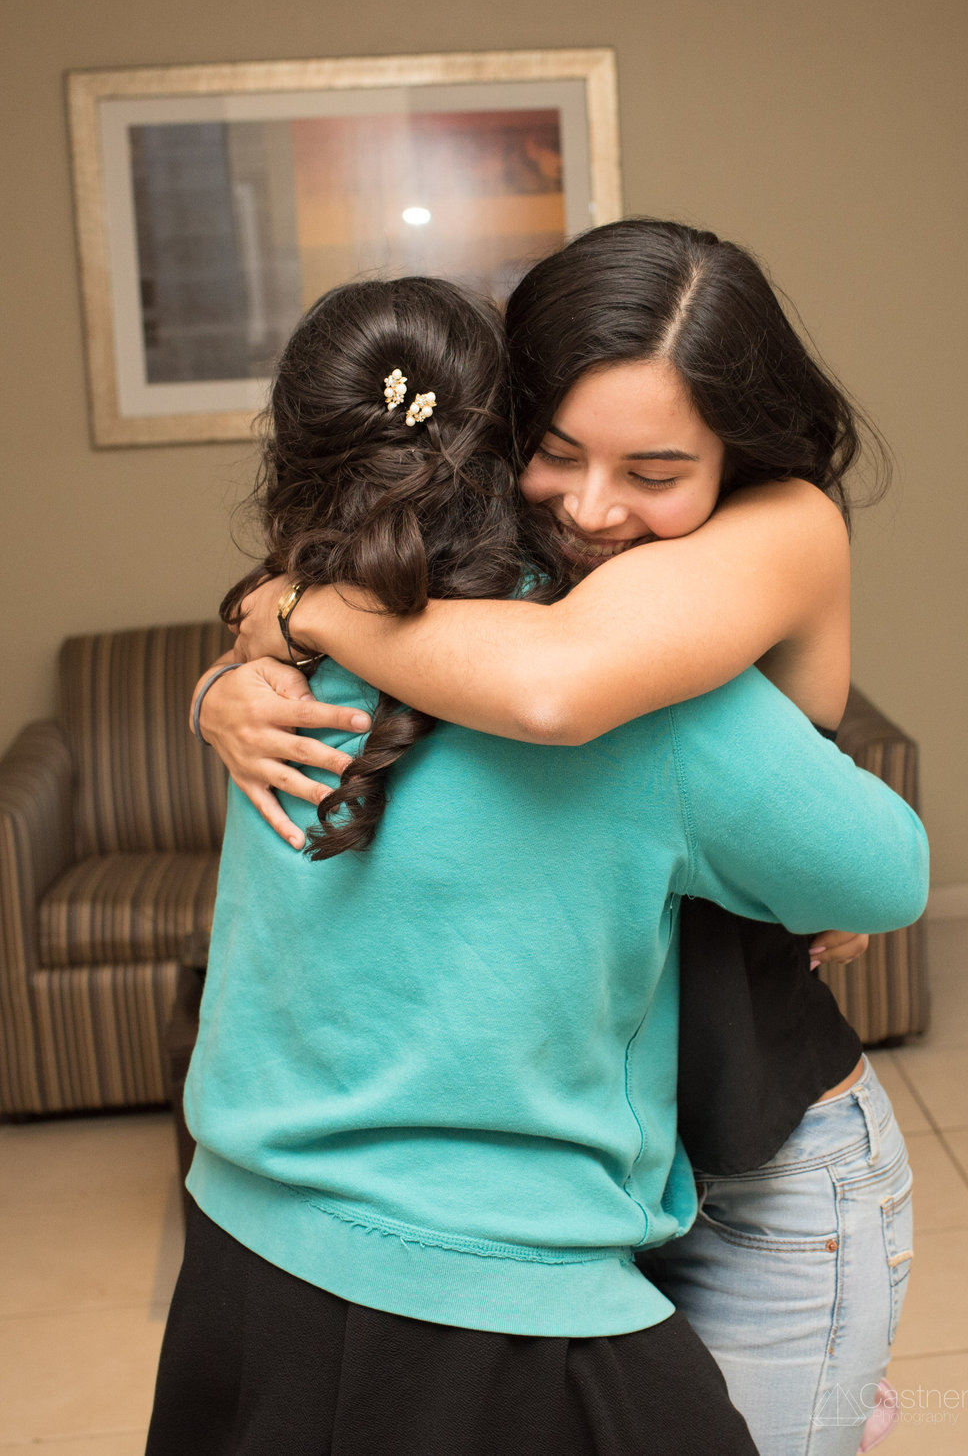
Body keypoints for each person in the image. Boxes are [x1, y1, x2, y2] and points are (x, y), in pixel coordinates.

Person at [156, 271, 929, 1456]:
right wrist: (239, 664)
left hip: (747, 1148)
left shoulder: (664, 622)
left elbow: (560, 685)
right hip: (522, 1230)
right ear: (505, 425)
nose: (597, 507)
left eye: (655, 472)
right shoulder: (289, 676)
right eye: (559, 454)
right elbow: (880, 871)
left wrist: (300, 609)